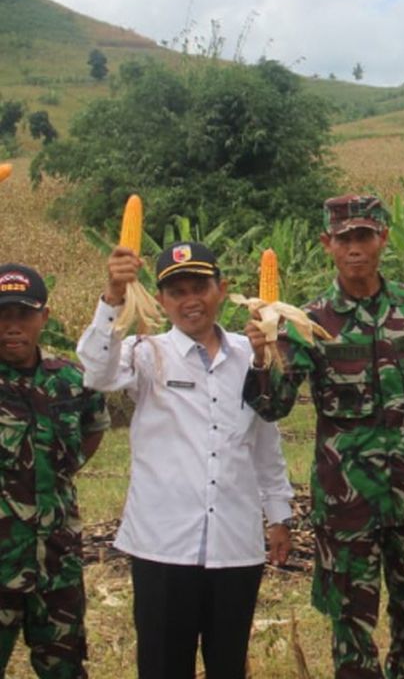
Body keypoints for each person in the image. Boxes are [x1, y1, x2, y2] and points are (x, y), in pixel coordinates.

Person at [243, 194, 404, 679]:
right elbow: (274, 406)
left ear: (382, 239)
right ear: (327, 243)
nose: (354, 248)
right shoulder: (309, 321)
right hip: (346, 500)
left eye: (364, 236)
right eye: (344, 238)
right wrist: (263, 355)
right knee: (350, 613)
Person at [77, 241, 292, 679]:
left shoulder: (251, 354)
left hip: (234, 545)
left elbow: (265, 440)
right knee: (162, 666)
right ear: (161, 300)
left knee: (228, 665)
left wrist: (279, 514)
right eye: (177, 292)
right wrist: (113, 297)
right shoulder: (146, 353)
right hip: (163, 545)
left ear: (222, 290)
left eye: (200, 288)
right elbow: (97, 373)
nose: (190, 300)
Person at [0, 264, 108, 679]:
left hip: (56, 560)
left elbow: (94, 428)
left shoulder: (71, 379)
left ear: (43, 317)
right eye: (3, 315)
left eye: (23, 314)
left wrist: (63, 470)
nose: (12, 326)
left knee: (64, 669)